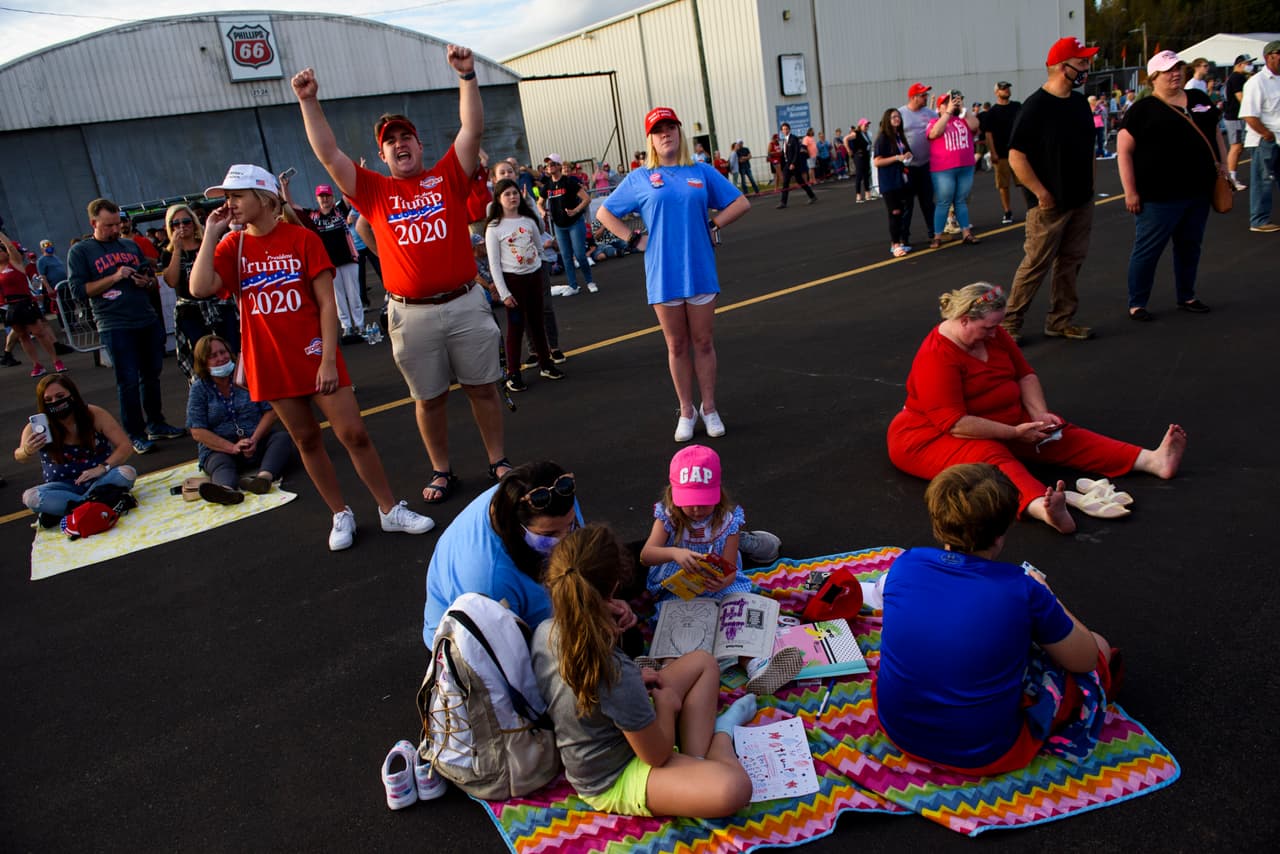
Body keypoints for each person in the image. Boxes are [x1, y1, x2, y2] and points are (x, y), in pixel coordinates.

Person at [292, 46, 515, 505]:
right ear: (383, 153)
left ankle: (497, 459)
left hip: (465, 302)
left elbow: (472, 129)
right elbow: (329, 155)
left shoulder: (446, 176)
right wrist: (308, 101)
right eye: (391, 141)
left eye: (406, 137)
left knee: (483, 389)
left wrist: (467, 76)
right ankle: (441, 470)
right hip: (411, 316)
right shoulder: (373, 191)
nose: (400, 144)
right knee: (429, 399)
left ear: (419, 144)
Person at [190, 164, 434, 550]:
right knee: (305, 440)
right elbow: (200, 286)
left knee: (353, 433)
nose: (230, 204)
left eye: (237, 196)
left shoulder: (302, 239)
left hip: (314, 353)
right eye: (227, 198)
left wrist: (326, 358)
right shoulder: (231, 247)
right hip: (271, 361)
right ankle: (340, 513)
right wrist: (210, 235)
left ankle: (389, 509)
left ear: (264, 197)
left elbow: (325, 303)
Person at [886, 282, 1188, 534]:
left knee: (1057, 434)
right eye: (988, 328)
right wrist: (1014, 432)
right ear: (963, 319)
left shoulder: (994, 332)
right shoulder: (936, 356)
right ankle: (1043, 509)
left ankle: (1151, 461)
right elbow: (954, 423)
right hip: (929, 436)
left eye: (997, 326)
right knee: (989, 456)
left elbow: (1025, 374)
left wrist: (1039, 415)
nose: (995, 333)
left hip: (998, 420)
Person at [877, 463, 1120, 774]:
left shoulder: (906, 564)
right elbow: (1084, 659)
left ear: (939, 522)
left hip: (900, 730)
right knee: (1098, 646)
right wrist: (1049, 595)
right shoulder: (1023, 588)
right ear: (1001, 533)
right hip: (984, 750)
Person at [532, 523, 755, 818]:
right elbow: (655, 755)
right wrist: (664, 705)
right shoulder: (613, 671)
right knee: (734, 788)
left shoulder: (546, 631)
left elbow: (592, 689)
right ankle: (722, 735)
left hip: (616, 728)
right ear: (613, 585)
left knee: (702, 662)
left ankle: (694, 762)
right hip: (614, 776)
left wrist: (633, 671)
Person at [597, 107, 750, 442]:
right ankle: (686, 410)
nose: (665, 134)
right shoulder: (640, 177)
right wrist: (633, 238)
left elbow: (740, 202)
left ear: (679, 133)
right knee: (676, 345)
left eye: (670, 127)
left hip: (699, 268)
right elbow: (604, 212)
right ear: (650, 139)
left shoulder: (701, 171)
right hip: (663, 273)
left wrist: (714, 224)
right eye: (658, 130)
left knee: (704, 342)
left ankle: (709, 407)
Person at [423, 460, 605, 642]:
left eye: (571, 525)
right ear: (517, 527)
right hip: (482, 647)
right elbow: (507, 660)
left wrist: (601, 604)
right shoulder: (489, 580)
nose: (565, 540)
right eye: (550, 535)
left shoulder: (559, 497)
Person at [67, 198, 185, 454]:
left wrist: (146, 282)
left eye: (117, 224)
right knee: (128, 380)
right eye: (108, 225)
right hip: (114, 323)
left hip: (145, 317)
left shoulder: (130, 246)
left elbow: (152, 280)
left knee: (151, 375)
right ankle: (134, 433)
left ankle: (156, 423)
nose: (114, 229)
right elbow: (78, 291)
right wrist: (114, 277)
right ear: (94, 223)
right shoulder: (81, 251)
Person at [1002, 37, 1100, 343]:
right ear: (1062, 67)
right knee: (1036, 263)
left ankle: (1060, 320)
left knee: (1071, 262)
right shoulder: (1036, 107)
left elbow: (1088, 147)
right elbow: (1016, 157)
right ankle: (1009, 324)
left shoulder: (1079, 102)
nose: (1087, 68)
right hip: (1049, 204)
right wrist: (1041, 194)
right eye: (1082, 62)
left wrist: (1091, 186)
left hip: (1080, 199)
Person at [1117, 50, 1225, 321]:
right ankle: (1137, 302)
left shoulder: (1199, 99)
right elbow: (1124, 151)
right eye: (1168, 70)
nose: (1176, 73)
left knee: (1190, 246)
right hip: (1158, 196)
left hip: (1198, 191)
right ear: (1153, 77)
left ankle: (1187, 295)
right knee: (1148, 250)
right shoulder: (1142, 110)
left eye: (1178, 68)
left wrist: (1223, 165)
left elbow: (1215, 133)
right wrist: (1130, 191)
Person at [640, 444, 782, 602]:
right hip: (677, 579)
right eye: (689, 502)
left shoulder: (727, 522)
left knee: (737, 603)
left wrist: (724, 582)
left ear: (718, 494)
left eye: (704, 502)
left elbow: (730, 569)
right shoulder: (669, 517)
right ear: (673, 495)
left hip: (713, 580)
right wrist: (675, 553)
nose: (696, 509)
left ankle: (742, 542)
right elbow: (646, 556)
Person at [185, 334, 296, 505]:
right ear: (203, 363)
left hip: (256, 441)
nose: (221, 358)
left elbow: (271, 411)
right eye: (213, 356)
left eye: (223, 352)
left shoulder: (246, 374)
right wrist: (231, 447)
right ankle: (226, 490)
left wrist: (254, 439)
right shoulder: (199, 388)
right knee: (220, 463)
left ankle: (263, 479)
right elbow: (197, 431)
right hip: (221, 449)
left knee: (282, 438)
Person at [15, 373, 136, 518]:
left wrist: (102, 467)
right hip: (63, 487)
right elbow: (19, 456)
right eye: (48, 400)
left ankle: (73, 509)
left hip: (99, 480)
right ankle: (96, 503)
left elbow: (125, 446)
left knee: (127, 473)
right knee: (30, 497)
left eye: (60, 396)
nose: (55, 402)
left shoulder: (93, 414)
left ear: (72, 394)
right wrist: (27, 450)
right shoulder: (37, 426)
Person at [485, 178, 564, 393]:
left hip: (533, 279)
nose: (512, 197)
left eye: (515, 193)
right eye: (507, 194)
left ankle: (546, 364)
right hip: (513, 283)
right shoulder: (494, 227)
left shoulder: (529, 221)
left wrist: (536, 267)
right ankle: (513, 373)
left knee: (537, 323)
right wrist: (504, 293)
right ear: (499, 199)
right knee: (516, 328)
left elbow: (539, 248)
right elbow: (494, 265)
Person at [160, 203, 239, 381]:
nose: (182, 227)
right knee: (200, 353)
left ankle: (237, 387)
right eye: (175, 224)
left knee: (230, 347)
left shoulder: (208, 244)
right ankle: (206, 390)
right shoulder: (168, 253)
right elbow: (171, 281)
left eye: (186, 221)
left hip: (218, 306)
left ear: (194, 222)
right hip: (190, 311)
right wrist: (177, 249)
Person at [280, 178, 364, 341]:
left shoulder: (340, 210)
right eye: (321, 196)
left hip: (349, 260)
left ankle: (360, 325)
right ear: (317, 198)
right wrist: (284, 187)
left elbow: (348, 194)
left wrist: (353, 176)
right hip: (328, 265)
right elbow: (289, 207)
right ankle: (347, 327)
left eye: (327, 196)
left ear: (332, 197)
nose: (325, 199)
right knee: (338, 298)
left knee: (354, 294)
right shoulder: (313, 215)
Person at [0, 230, 63, 377]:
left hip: (25, 302)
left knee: (39, 333)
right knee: (23, 336)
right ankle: (37, 365)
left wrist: (1, 235)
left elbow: (10, 247)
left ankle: (56, 361)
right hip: (11, 305)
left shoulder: (15, 263)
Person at [926, 91, 982, 248]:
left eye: (953, 101)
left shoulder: (963, 119)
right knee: (944, 201)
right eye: (946, 102)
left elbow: (975, 126)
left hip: (965, 166)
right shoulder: (934, 121)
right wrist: (948, 112)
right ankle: (937, 235)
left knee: (961, 200)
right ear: (940, 107)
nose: (951, 104)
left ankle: (966, 233)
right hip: (943, 168)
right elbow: (935, 133)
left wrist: (963, 109)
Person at [540, 154, 599, 295]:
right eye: (548, 165)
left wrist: (576, 210)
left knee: (579, 254)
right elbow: (539, 202)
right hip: (559, 225)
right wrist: (542, 211)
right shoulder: (547, 185)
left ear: (560, 166)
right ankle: (573, 286)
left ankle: (590, 281)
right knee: (566, 256)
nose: (550, 167)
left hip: (574, 223)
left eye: (553, 164)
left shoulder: (569, 182)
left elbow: (586, 199)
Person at [1240, 41, 1280, 233]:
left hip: (1277, 138)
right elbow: (1249, 115)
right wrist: (1267, 134)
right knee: (1263, 180)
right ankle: (1259, 220)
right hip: (1264, 140)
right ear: (1269, 57)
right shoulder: (1256, 82)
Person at [899, 82, 939, 245]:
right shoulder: (900, 114)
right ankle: (904, 238)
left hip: (926, 165)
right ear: (914, 97)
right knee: (907, 204)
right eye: (923, 95)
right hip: (908, 168)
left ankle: (934, 232)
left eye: (926, 95)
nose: (926, 98)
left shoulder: (930, 114)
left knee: (928, 202)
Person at [872, 108, 914, 257]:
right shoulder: (883, 138)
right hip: (889, 181)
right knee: (894, 212)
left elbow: (906, 153)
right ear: (887, 121)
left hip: (902, 179)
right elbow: (877, 161)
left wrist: (907, 155)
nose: (897, 119)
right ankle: (895, 243)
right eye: (893, 117)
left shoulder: (900, 136)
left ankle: (901, 240)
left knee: (902, 211)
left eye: (898, 116)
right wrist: (896, 158)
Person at [981, 81, 1022, 224]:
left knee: (1024, 181)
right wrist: (993, 152)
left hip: (1019, 151)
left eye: (1008, 88)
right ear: (997, 92)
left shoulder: (1017, 106)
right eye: (1003, 89)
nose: (1006, 90)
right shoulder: (992, 113)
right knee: (1003, 185)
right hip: (1002, 153)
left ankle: (1032, 208)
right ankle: (1007, 211)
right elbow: (988, 134)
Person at [1223, 54, 1254, 191]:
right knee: (1236, 147)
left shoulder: (1240, 78)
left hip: (1238, 117)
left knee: (1239, 147)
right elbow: (1241, 98)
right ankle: (1231, 179)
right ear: (1240, 64)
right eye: (1248, 63)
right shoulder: (1236, 78)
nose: (1250, 66)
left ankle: (1232, 177)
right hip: (1234, 117)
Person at [775, 122, 817, 208]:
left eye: (786, 129)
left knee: (800, 182)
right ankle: (783, 202)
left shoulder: (793, 138)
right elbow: (784, 153)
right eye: (783, 129)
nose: (785, 131)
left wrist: (793, 163)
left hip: (794, 165)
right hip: (787, 165)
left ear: (789, 129)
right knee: (785, 183)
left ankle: (812, 196)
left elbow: (796, 152)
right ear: (781, 131)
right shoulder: (784, 140)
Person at [845, 119, 872, 203]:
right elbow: (845, 139)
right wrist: (849, 150)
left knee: (866, 174)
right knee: (859, 174)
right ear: (860, 125)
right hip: (859, 156)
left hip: (866, 155)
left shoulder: (866, 134)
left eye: (867, 125)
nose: (867, 127)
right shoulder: (856, 133)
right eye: (865, 125)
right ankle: (858, 195)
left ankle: (868, 194)